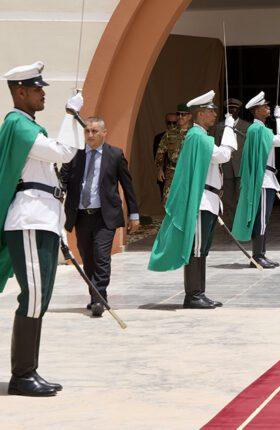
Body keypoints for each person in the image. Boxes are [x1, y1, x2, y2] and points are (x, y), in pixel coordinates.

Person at [0, 61, 85, 396]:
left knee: (41, 296)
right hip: (29, 219)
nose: (42, 94)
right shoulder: (18, 124)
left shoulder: (30, 127)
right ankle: (22, 375)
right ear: (20, 92)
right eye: (37, 89)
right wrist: (71, 116)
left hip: (42, 219)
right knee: (34, 295)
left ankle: (28, 371)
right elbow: (64, 153)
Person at [148, 90, 237, 309]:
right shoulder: (197, 136)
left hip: (209, 199)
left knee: (202, 249)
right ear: (200, 113)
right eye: (210, 111)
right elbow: (223, 156)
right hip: (201, 201)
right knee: (196, 249)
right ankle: (193, 295)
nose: (214, 115)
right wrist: (229, 130)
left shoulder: (199, 136)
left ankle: (199, 293)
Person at [60, 117, 140, 317]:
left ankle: (98, 299)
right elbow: (63, 180)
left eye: (94, 131)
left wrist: (134, 214)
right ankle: (95, 295)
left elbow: (128, 186)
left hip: (105, 216)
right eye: (87, 131)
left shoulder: (115, 155)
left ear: (104, 133)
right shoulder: (75, 155)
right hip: (81, 216)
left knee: (101, 256)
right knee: (88, 258)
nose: (90, 135)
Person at [232, 91, 280, 269]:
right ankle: (257, 256)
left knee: (263, 218)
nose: (268, 108)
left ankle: (261, 254)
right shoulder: (258, 130)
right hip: (263, 180)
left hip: (266, 178)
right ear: (256, 111)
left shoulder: (258, 129)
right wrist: (279, 119)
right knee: (261, 219)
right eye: (265, 106)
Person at [212, 98, 249, 227]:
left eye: (235, 108)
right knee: (228, 199)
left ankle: (242, 224)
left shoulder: (247, 126)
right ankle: (234, 224)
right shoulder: (219, 127)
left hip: (241, 166)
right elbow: (216, 146)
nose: (232, 111)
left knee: (241, 197)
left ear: (239, 110)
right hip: (226, 166)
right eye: (229, 108)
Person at [155, 103, 191, 203]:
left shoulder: (195, 133)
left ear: (189, 116)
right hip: (171, 172)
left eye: (183, 114)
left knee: (186, 200)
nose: (180, 117)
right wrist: (159, 169)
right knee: (168, 201)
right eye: (178, 114)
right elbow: (160, 151)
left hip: (188, 172)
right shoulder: (169, 133)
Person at [154, 112, 177, 198]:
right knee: (166, 200)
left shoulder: (184, 137)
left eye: (174, 123)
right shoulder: (160, 137)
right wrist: (159, 169)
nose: (172, 125)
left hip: (179, 173)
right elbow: (156, 155)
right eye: (169, 123)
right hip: (165, 173)